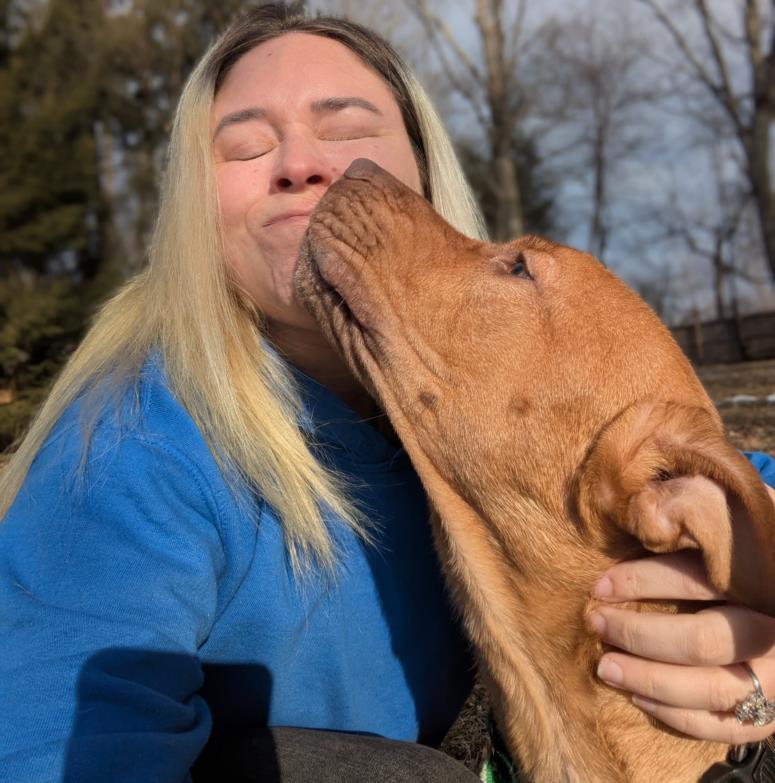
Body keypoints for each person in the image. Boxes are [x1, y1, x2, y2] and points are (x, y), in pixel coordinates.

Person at [0, 4, 774, 782]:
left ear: (424, 172)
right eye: (245, 145)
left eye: (346, 131)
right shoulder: (131, 454)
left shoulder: (459, 409)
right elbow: (52, 741)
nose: (302, 165)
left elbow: (730, 479)